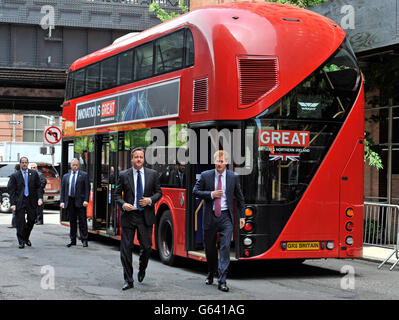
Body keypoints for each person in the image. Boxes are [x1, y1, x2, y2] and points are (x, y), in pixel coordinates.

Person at [193, 150, 245, 292]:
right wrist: (211, 194)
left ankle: (222, 280)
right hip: (210, 217)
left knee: (225, 247)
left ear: (226, 162)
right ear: (214, 162)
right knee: (209, 249)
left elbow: (240, 198)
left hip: (225, 217)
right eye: (217, 161)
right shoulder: (206, 175)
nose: (219, 164)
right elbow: (195, 191)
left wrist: (242, 216)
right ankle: (211, 272)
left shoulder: (233, 177)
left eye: (222, 161)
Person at [115, 147, 162, 291]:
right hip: (129, 216)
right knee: (126, 249)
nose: (139, 159)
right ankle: (128, 280)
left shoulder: (152, 174)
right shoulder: (124, 175)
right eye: (136, 157)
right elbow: (116, 195)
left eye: (141, 157)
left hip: (145, 216)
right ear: (132, 159)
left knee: (147, 247)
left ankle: (142, 268)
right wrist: (124, 205)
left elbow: (159, 193)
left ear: (144, 159)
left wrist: (149, 200)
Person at [7, 157, 43, 249]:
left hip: (31, 201)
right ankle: (21, 241)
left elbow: (38, 187)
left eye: (25, 162)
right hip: (20, 201)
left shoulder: (34, 174)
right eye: (22, 162)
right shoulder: (15, 176)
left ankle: (26, 237)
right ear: (20, 163)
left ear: (28, 163)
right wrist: (13, 204)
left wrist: (40, 198)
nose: (24, 164)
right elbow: (12, 191)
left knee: (31, 219)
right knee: (20, 222)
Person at [60, 159, 90, 248]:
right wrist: (62, 201)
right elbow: (63, 190)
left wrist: (86, 200)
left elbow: (87, 189)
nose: (75, 167)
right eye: (73, 165)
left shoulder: (84, 175)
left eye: (77, 165)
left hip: (80, 201)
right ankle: (73, 240)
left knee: (82, 221)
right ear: (71, 165)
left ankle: (84, 240)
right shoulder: (66, 176)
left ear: (79, 165)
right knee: (72, 221)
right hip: (70, 201)